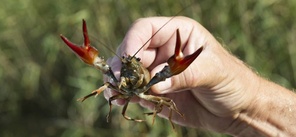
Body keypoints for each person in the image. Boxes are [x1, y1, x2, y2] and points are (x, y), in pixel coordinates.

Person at [103, 16, 296, 136]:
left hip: (150, 88)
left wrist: (249, 107)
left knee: (167, 104)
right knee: (111, 84)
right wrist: (246, 111)